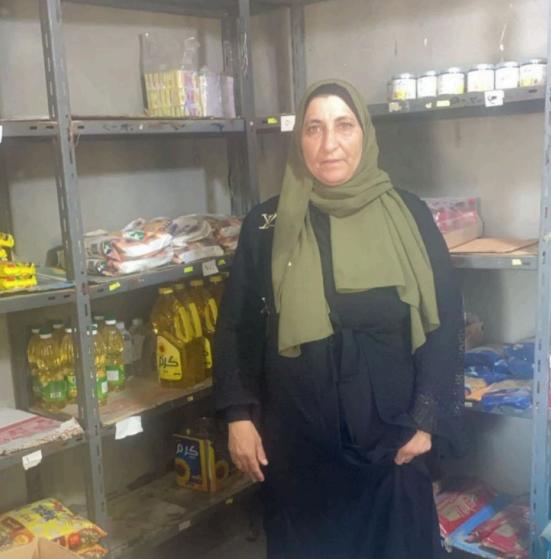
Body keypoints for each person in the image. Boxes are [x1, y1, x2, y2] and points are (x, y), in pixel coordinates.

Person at [213, 79, 465, 559]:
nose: (329, 143)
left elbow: (446, 321)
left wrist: (428, 419)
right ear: (299, 141)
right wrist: (238, 416)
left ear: (364, 134)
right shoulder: (267, 225)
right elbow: (237, 326)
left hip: (392, 443)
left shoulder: (408, 214)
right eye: (314, 128)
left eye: (344, 125)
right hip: (298, 447)